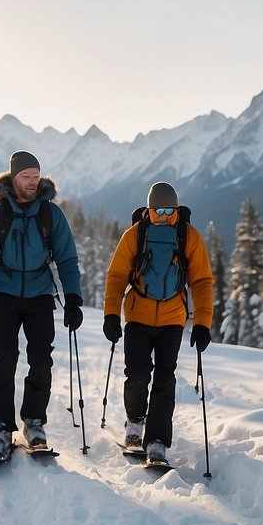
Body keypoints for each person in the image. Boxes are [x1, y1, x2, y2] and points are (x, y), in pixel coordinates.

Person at [0, 150, 84, 458]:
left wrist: (74, 300)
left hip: (40, 293)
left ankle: (33, 423)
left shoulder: (50, 214)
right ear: (13, 178)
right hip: (3, 291)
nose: (31, 182)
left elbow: (67, 258)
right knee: (5, 358)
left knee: (41, 359)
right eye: (26, 176)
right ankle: (0, 429)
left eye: (36, 176)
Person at [102, 181, 213, 465]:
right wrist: (111, 314)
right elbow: (116, 276)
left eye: (169, 210)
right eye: (158, 210)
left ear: (176, 210)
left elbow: (201, 281)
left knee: (165, 378)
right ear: (149, 210)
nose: (164, 215)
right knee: (137, 374)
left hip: (173, 319)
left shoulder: (189, 237)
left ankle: (157, 442)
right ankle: (135, 422)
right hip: (138, 316)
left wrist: (202, 323)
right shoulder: (134, 236)